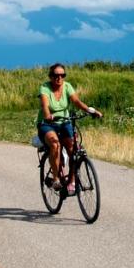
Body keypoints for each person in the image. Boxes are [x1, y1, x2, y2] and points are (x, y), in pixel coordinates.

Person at [37, 63, 102, 192]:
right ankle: (56, 179)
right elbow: (44, 105)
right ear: (50, 76)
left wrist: (91, 111)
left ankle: (71, 181)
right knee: (55, 144)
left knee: (73, 149)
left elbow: (77, 102)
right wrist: (48, 115)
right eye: (56, 75)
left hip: (65, 121)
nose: (59, 78)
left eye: (62, 75)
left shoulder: (67, 87)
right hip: (48, 123)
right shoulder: (45, 88)